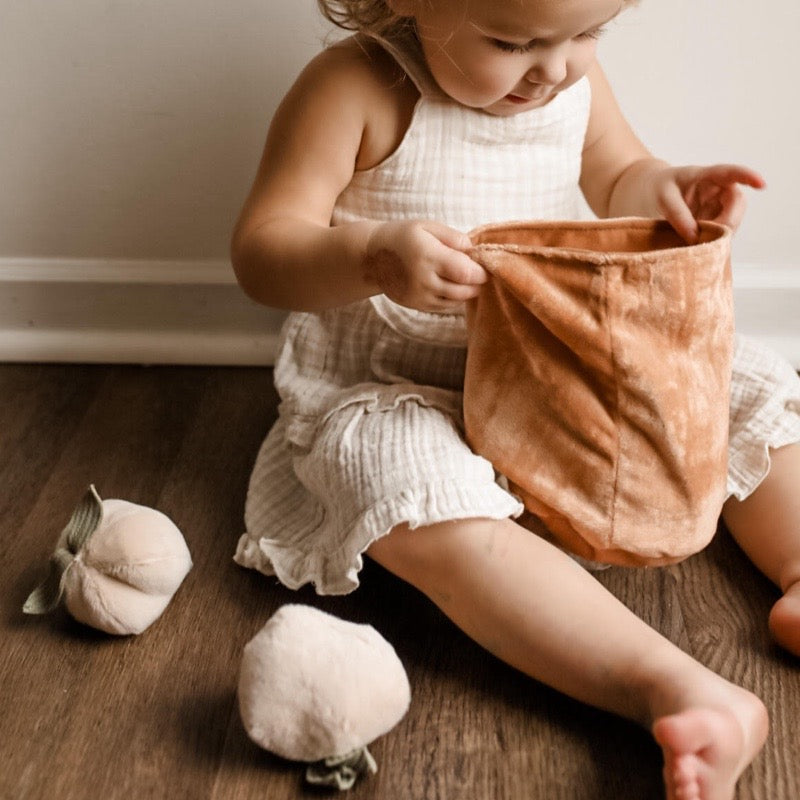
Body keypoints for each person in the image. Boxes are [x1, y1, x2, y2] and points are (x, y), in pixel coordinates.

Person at [230, 0, 800, 797]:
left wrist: (667, 189)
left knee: (737, 381)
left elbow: (617, 177)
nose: (556, 68)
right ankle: (671, 686)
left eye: (587, 34)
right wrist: (369, 258)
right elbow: (263, 252)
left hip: (557, 371)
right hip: (397, 390)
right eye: (513, 42)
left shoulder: (569, 78)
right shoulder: (353, 90)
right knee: (399, 486)